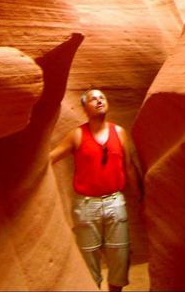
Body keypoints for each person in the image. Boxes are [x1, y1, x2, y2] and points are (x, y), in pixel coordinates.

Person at [50, 89, 142, 291]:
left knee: (120, 255)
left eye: (102, 98)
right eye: (93, 99)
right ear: (85, 108)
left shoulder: (119, 133)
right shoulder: (77, 135)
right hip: (86, 205)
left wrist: (140, 198)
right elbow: (50, 158)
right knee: (88, 256)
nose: (99, 101)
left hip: (115, 202)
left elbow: (128, 167)